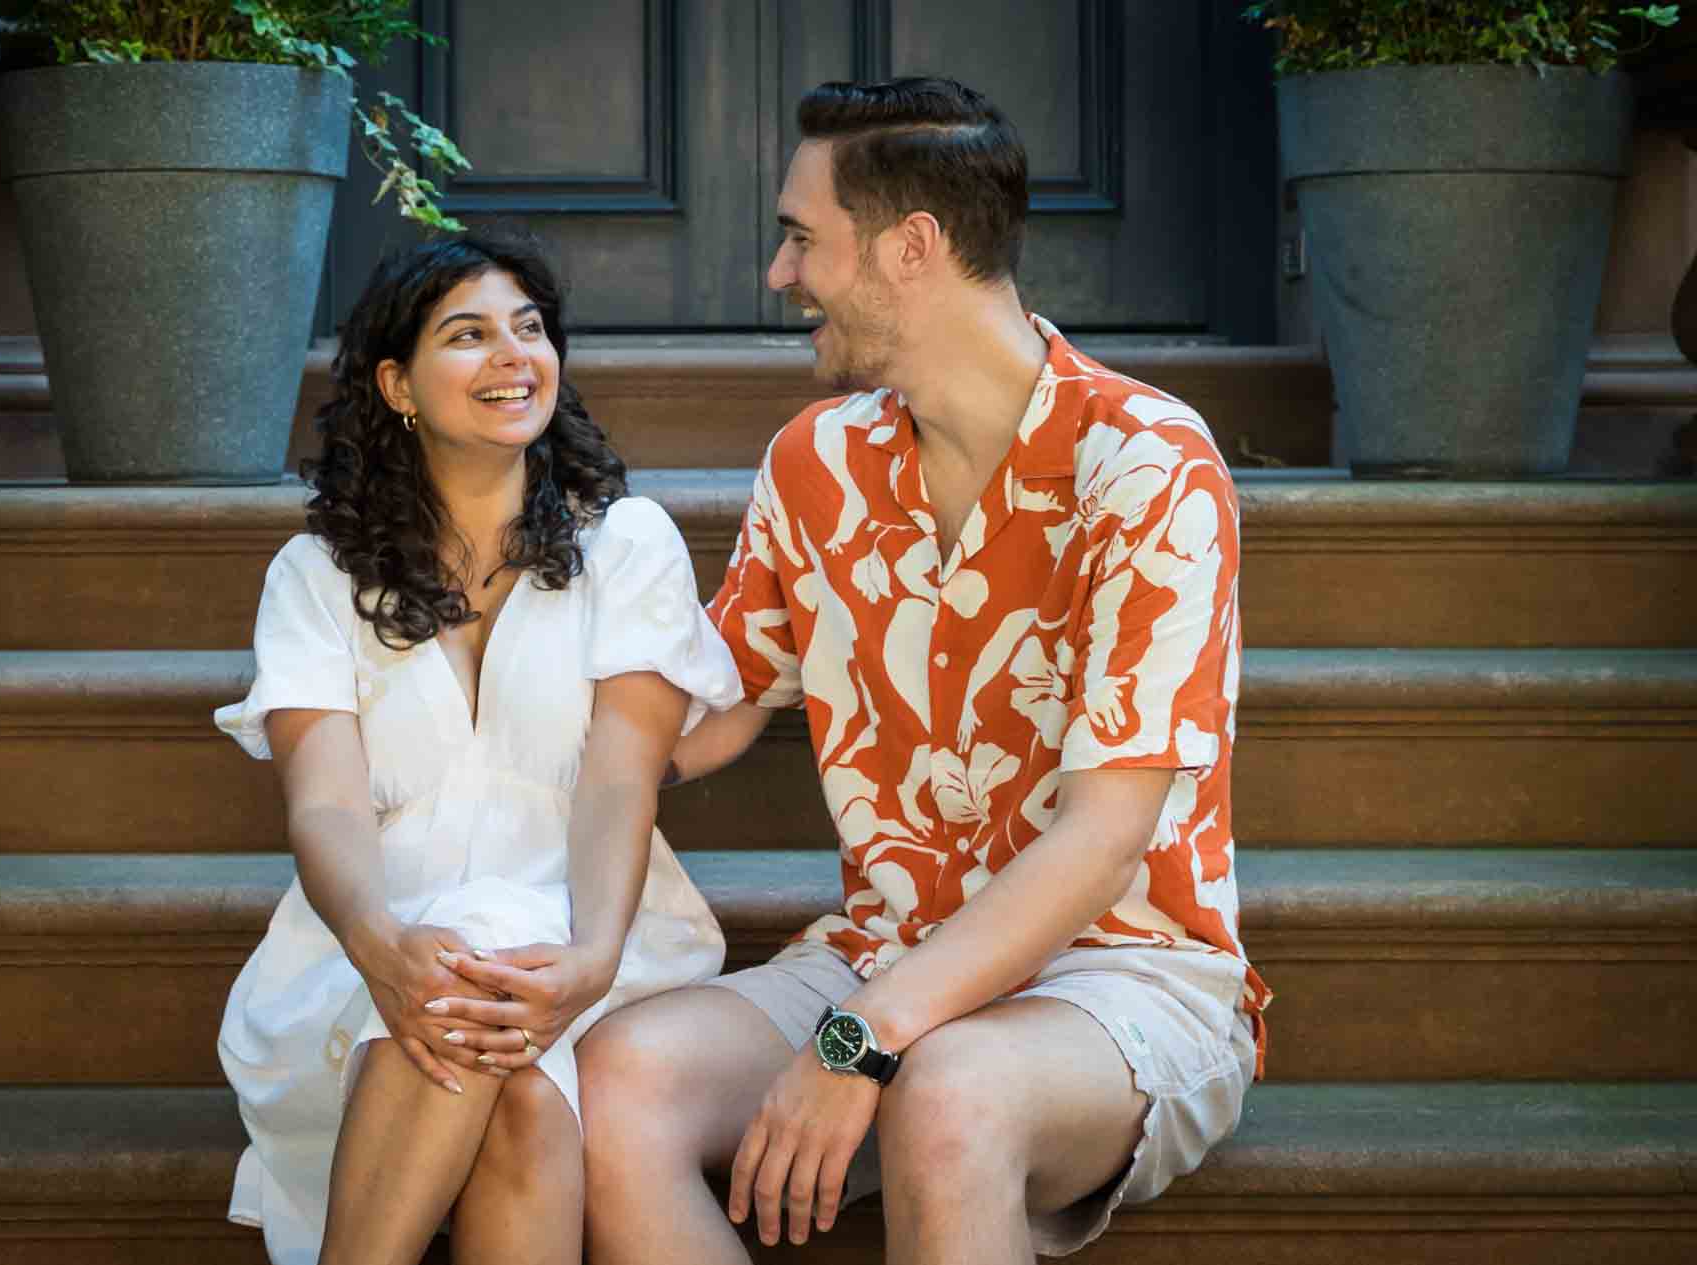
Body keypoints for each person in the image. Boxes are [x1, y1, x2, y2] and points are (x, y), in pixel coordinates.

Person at [576, 77, 1272, 1264]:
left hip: (1119, 975)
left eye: (801, 237)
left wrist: (861, 1041)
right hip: (878, 954)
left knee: (947, 1091)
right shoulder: (815, 461)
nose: (777, 274)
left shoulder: (1144, 465)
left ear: (911, 247)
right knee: (610, 1081)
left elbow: (1103, 836)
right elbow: (705, 711)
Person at [212, 234, 742, 1265]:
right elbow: (323, 804)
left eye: (529, 328)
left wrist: (589, 960)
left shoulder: (624, 545)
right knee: (519, 1097)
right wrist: (379, 945)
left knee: (479, 962)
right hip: (367, 945)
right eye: (468, 335)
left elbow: (617, 780)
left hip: (594, 933)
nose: (513, 354)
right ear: (396, 384)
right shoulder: (315, 574)